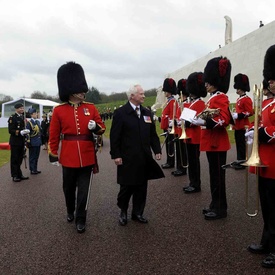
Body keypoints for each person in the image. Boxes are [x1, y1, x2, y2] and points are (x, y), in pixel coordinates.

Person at [48, 61, 105, 233]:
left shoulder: (91, 108)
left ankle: (81, 218)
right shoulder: (59, 110)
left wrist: (95, 127)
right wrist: (53, 154)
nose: (84, 92)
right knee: (68, 188)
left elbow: (102, 128)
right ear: (70, 90)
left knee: (84, 190)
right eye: (80, 90)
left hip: (87, 154)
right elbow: (54, 134)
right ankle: (69, 210)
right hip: (68, 155)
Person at [110, 84, 164, 226]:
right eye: (141, 94)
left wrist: (157, 150)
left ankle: (137, 212)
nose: (144, 96)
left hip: (144, 157)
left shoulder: (147, 113)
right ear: (132, 96)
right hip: (127, 158)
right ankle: (123, 211)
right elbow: (114, 136)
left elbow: (152, 134)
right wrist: (116, 155)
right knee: (126, 187)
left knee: (141, 187)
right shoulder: (121, 113)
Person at [191, 56, 232, 220]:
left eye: (208, 81)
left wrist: (205, 122)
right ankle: (215, 203)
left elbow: (224, 119)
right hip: (211, 143)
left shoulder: (221, 97)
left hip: (218, 143)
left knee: (218, 177)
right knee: (213, 176)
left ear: (215, 81)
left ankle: (221, 208)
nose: (205, 84)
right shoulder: (212, 99)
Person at [246, 45, 275, 269]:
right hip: (264, 162)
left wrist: (262, 134)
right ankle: (267, 242)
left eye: (273, 80)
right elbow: (261, 124)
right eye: (270, 79)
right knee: (267, 206)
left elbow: (269, 130)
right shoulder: (268, 103)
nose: (271, 83)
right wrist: (252, 131)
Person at [183, 72, 207, 193]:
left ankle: (196, 184)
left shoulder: (200, 103)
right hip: (189, 135)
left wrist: (188, 122)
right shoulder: (192, 103)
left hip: (195, 136)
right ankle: (192, 182)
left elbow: (198, 119)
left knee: (194, 161)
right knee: (191, 161)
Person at [231, 73, 254, 170]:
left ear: (242, 88)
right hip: (238, 125)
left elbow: (250, 112)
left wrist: (238, 115)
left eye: (238, 88)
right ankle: (239, 160)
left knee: (242, 145)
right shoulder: (239, 99)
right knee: (238, 143)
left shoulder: (247, 99)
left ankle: (242, 162)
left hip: (243, 126)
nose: (237, 90)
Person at [8, 103, 30, 182]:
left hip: (21, 141)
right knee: (14, 159)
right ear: (16, 109)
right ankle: (14, 175)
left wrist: (26, 132)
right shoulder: (12, 118)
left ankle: (19, 174)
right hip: (15, 141)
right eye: (20, 108)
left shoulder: (22, 117)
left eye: (22, 108)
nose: (22, 109)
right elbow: (10, 130)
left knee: (20, 158)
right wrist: (20, 132)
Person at [172, 79, 189, 177]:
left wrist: (178, 122)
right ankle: (179, 167)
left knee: (182, 151)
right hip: (179, 131)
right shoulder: (180, 104)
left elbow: (185, 118)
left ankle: (182, 169)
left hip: (183, 131)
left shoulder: (186, 104)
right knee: (178, 151)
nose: (180, 96)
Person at [160, 78, 177, 169]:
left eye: (166, 91)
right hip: (166, 126)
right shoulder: (169, 101)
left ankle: (170, 162)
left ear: (169, 91)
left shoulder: (173, 101)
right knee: (168, 145)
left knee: (170, 146)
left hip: (170, 127)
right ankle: (169, 161)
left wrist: (170, 126)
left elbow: (172, 115)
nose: (165, 93)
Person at [26, 108, 42, 174]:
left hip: (38, 141)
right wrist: (28, 141)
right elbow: (27, 133)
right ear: (32, 115)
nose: (37, 114)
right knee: (32, 157)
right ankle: (32, 169)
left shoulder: (37, 122)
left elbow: (40, 131)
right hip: (32, 141)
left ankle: (35, 168)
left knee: (36, 156)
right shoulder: (29, 123)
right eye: (35, 113)